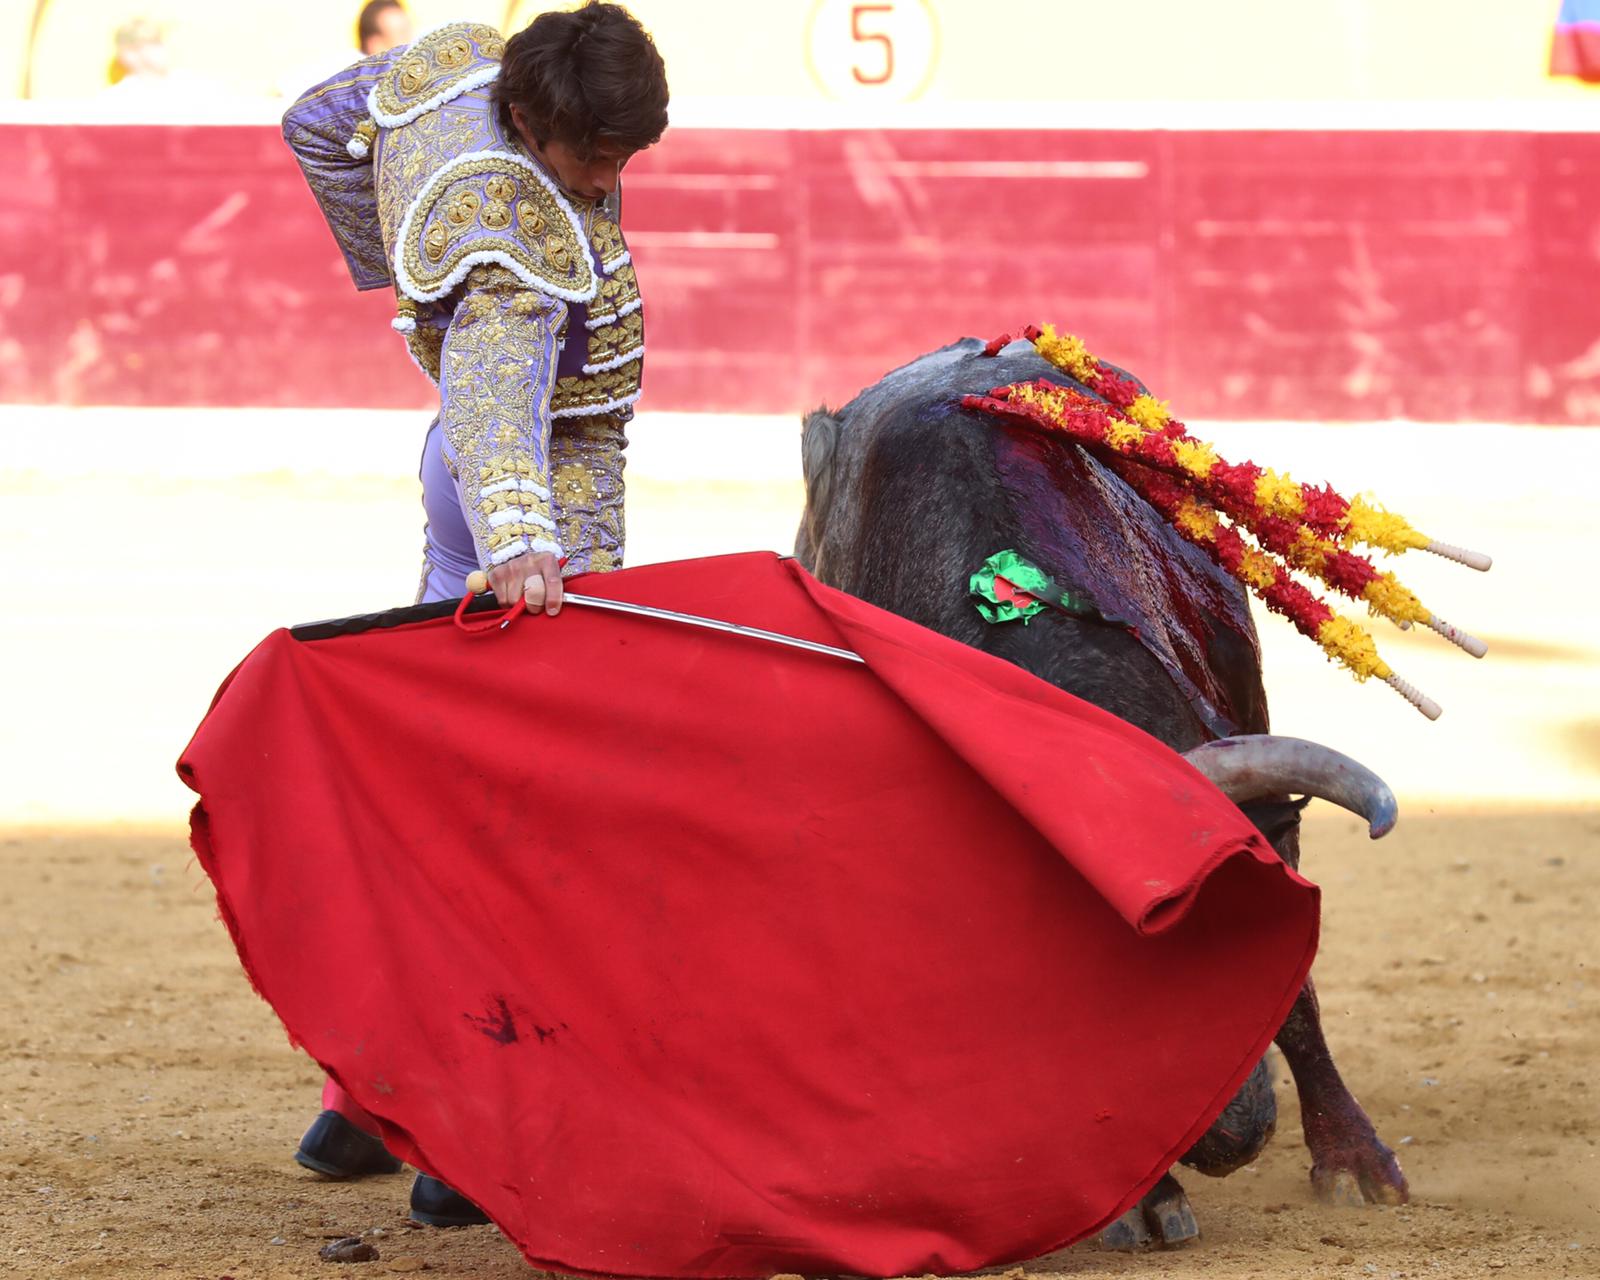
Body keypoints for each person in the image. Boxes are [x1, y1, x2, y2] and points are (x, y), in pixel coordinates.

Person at [279, 2, 669, 1225]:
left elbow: (319, 121)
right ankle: (466, 1134)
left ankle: (361, 1100)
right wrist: (531, 549)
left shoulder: (455, 62)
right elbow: (506, 397)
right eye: (594, 156)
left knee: (438, 788)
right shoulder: (510, 224)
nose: (608, 178)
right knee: (526, 814)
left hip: (458, 471)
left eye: (621, 156)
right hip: (530, 495)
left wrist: (396, 271)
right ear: (536, 119)